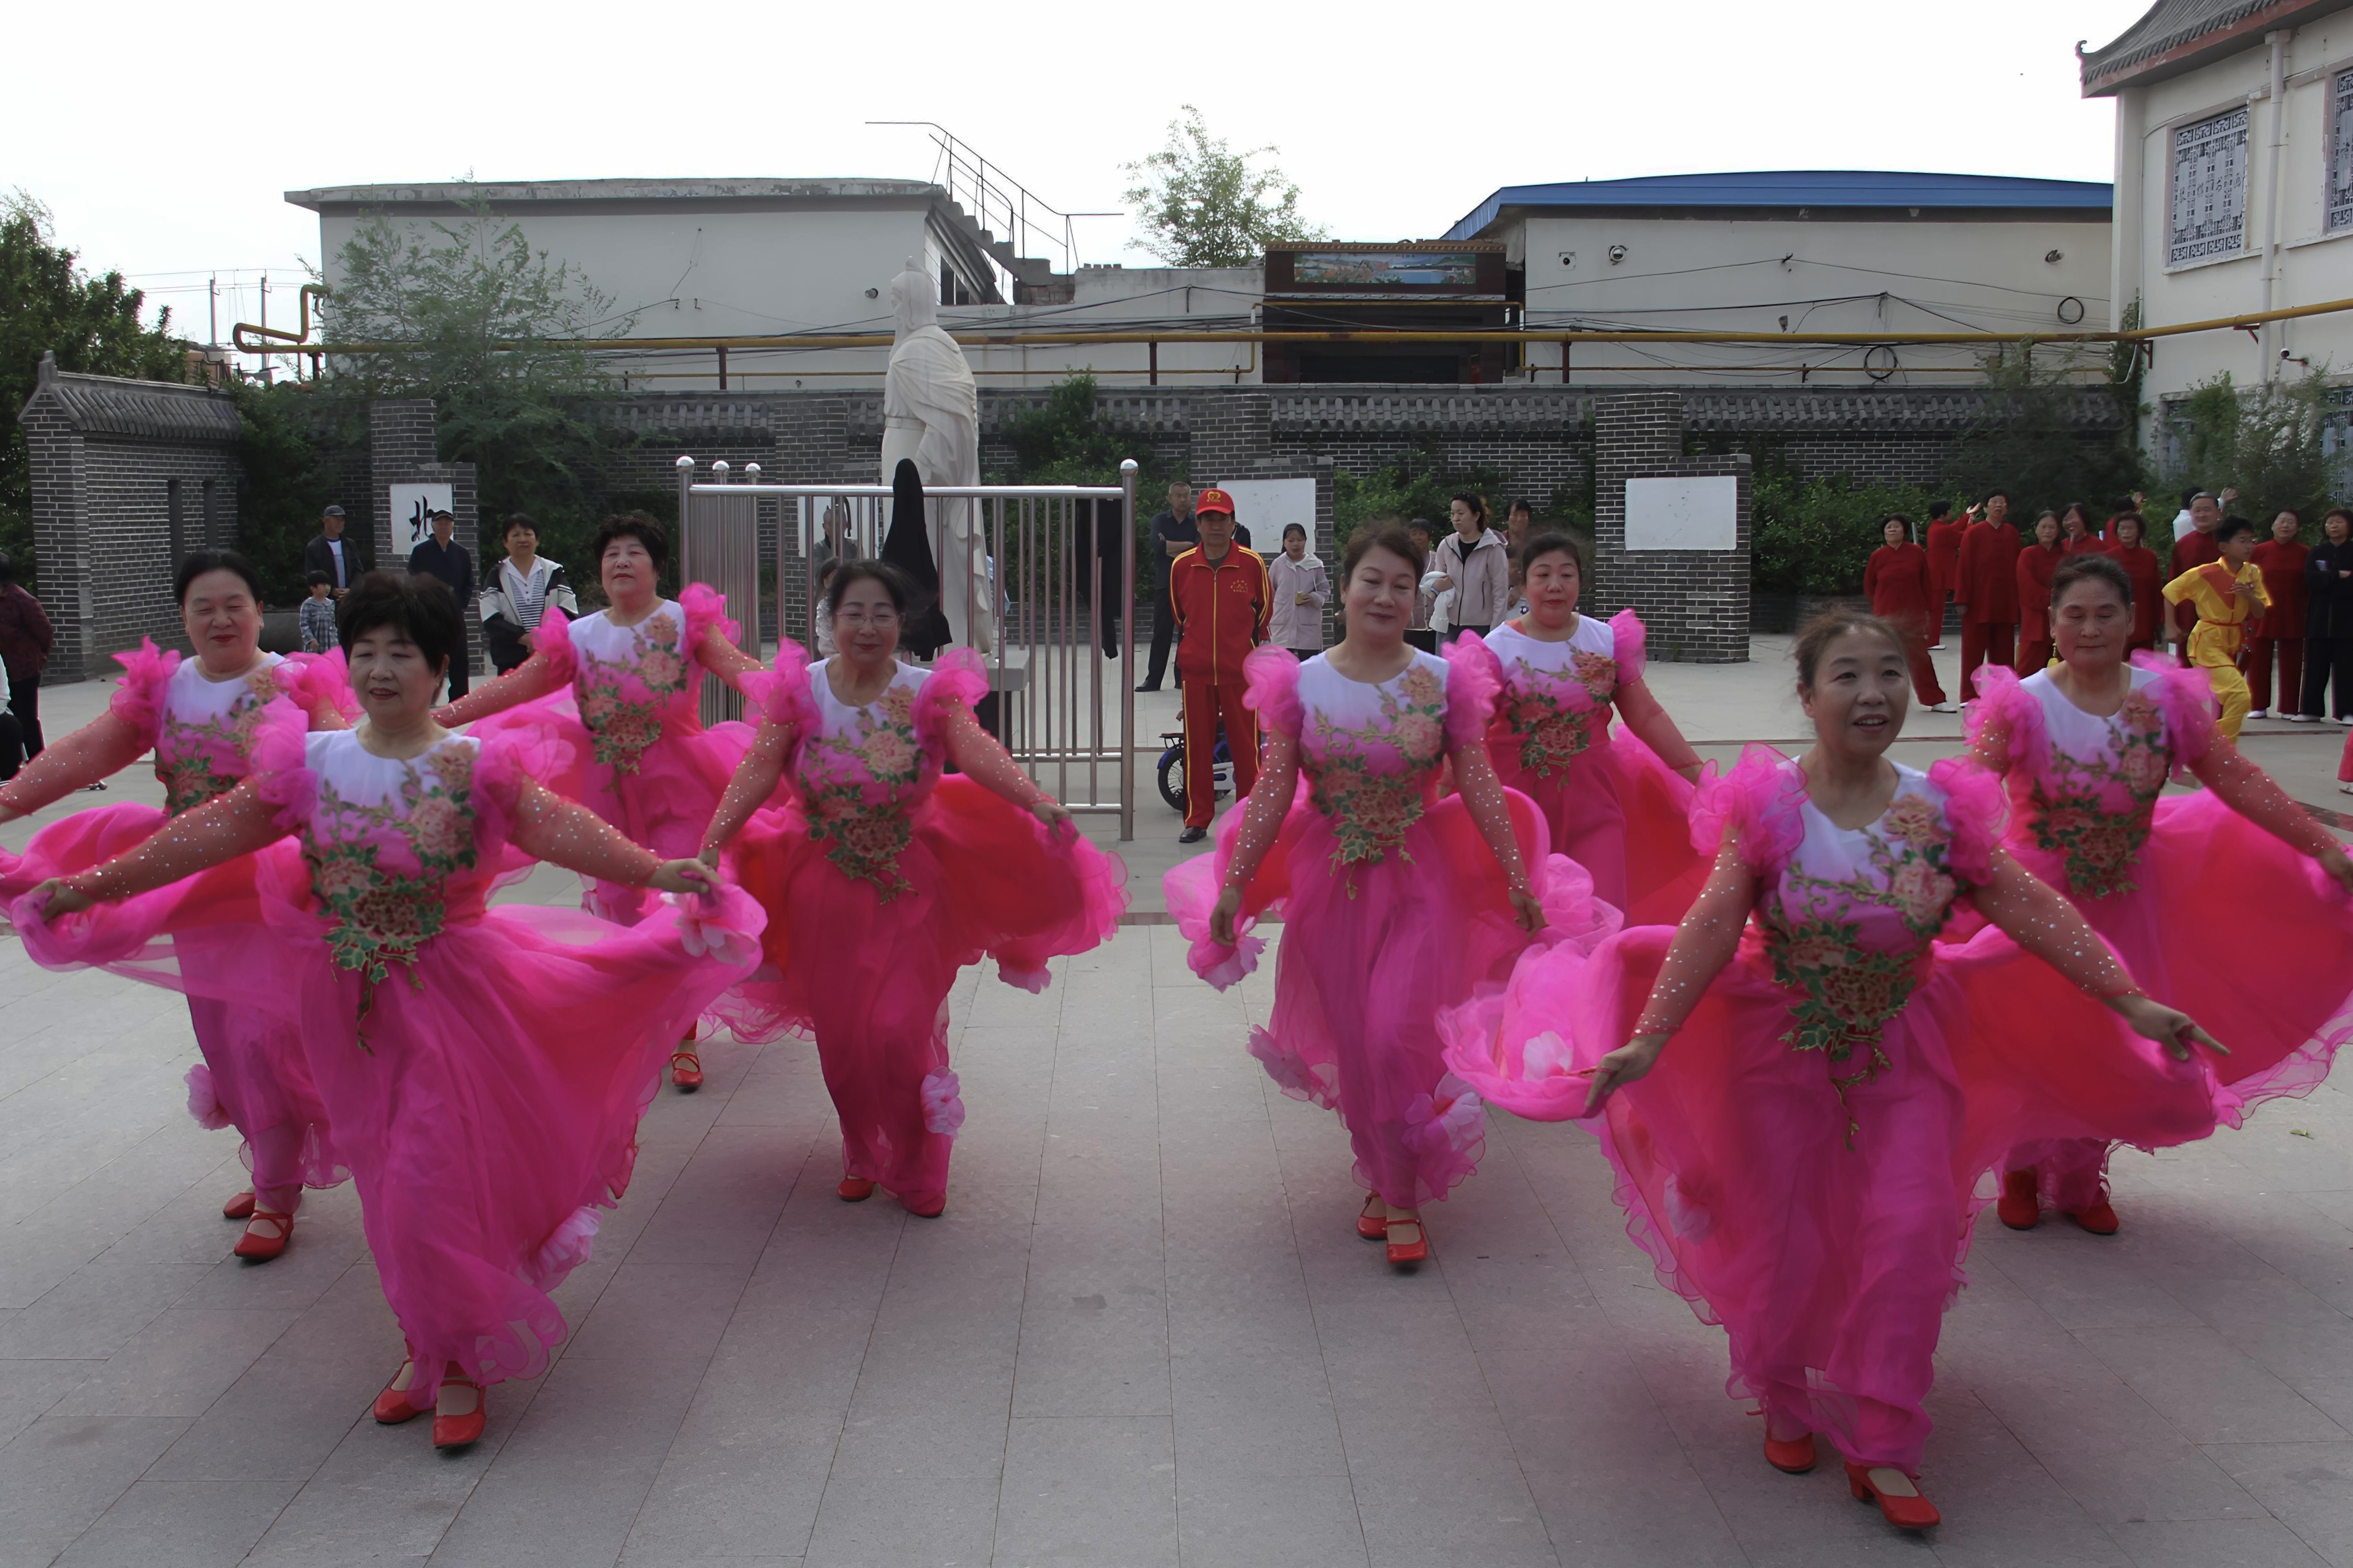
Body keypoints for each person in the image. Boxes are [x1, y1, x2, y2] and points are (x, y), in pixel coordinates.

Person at [1441, 609, 2227, 1532]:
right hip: (1778, 1059)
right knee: (1784, 1234)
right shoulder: (1769, 806)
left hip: (1905, 1055)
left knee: (1909, 1230)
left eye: (1889, 672)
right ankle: (1779, 1384)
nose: (1872, 693)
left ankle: (1883, 1436)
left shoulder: (1938, 808)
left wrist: (2128, 998)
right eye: (1846, 675)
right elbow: (1709, 923)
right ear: (1807, 696)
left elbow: (2028, 906)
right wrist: (1650, 1037)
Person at [11, 570, 752, 1450]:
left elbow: (558, 827)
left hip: (456, 999)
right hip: (345, 1007)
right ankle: (425, 1341)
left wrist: (655, 870)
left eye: (401, 652)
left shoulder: (474, 765)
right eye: (364, 651)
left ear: (437, 667)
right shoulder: (310, 763)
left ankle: (460, 1358)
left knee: (433, 1173)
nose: (379, 669)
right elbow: (199, 836)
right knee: (387, 1181)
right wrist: (92, 885)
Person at [1165, 524, 1609, 1269]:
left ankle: (1399, 1196)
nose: (1385, 595)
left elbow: (1477, 782)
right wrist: (1235, 882)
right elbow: (1272, 790)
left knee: (1391, 1033)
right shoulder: (1301, 684)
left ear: (1417, 598)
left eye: (1402, 585)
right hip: (1331, 889)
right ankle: (1382, 1174)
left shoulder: (1443, 681)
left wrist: (1516, 874)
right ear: (1343, 589)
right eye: (1372, 580)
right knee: (1356, 1046)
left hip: (1418, 884)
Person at [700, 562, 1125, 1215]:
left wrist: (1034, 800)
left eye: (882, 614)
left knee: (898, 1027)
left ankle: (919, 1158)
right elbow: (759, 767)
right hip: (821, 884)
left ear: (901, 623)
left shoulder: (926, 692)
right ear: (831, 620)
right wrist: (713, 840)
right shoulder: (801, 691)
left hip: (909, 883)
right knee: (844, 1039)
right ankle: (860, 1150)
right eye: (853, 613)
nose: (867, 626)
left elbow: (975, 751)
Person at [1969, 552, 2353, 1235]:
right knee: (2041, 1031)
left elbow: (2232, 775)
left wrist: (2317, 844)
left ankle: (2081, 1175)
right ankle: (2021, 1167)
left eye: (2104, 614)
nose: (2089, 629)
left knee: (2112, 1037)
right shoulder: (2020, 701)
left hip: (2130, 898)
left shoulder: (2162, 699)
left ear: (2130, 620)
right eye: (2074, 615)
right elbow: (1968, 792)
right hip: (2039, 902)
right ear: (2052, 622)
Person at [0, 550, 354, 1260]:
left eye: (235, 605)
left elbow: (348, 762)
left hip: (275, 889)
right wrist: (7, 799)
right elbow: (85, 752)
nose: (221, 619)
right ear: (183, 618)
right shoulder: (164, 689)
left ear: (260, 611)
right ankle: (273, 1164)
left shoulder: (293, 681)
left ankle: (276, 1191)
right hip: (187, 888)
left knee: (261, 1038)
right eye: (204, 607)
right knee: (221, 1036)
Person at [432, 512, 763, 1088]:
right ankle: (645, 1023)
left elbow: (743, 672)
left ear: (656, 566)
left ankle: (683, 1036)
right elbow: (516, 685)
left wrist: (805, 694)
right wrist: (439, 718)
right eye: (612, 554)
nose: (622, 562)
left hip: (681, 785)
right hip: (607, 792)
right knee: (623, 913)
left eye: (634, 552)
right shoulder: (579, 636)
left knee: (678, 905)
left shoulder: (684, 624)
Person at [1471, 530, 1708, 923]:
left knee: (1603, 915)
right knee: (1531, 926)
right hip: (1521, 813)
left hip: (1595, 803)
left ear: (1580, 581)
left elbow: (1647, 716)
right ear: (1524, 584)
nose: (1555, 585)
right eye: (1543, 575)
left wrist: (1705, 782)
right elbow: (1470, 740)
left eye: (1567, 575)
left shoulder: (1605, 640)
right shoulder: (1495, 649)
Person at [1169, 488, 1271, 845]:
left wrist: (1240, 648)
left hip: (1240, 671)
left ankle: (1248, 817)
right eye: (1208, 519)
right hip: (1196, 673)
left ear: (1233, 523)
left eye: (1222, 519)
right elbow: (1180, 616)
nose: (1215, 525)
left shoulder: (1252, 563)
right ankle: (1197, 818)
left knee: (1247, 748)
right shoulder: (1182, 566)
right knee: (1197, 748)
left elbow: (1263, 612)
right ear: (1198, 524)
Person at [2163, 514, 2267, 739]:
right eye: (2242, 540)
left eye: (2251, 540)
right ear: (2223, 546)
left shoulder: (2253, 573)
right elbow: (2170, 592)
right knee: (2239, 694)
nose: (2249, 546)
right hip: (2207, 642)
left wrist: (2248, 596)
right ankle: (2217, 747)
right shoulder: (2205, 573)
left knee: (2223, 698)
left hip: (2233, 640)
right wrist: (2170, 627)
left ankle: (2210, 744)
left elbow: (2259, 612)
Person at [1863, 514, 1952, 713]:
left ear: (1904, 530)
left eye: (1896, 526)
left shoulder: (1916, 552)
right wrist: (1880, 605)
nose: (1892, 530)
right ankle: (1878, 699)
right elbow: (1870, 586)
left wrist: (1927, 609)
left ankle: (1935, 699)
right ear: (1884, 532)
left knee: (1920, 659)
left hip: (1913, 615)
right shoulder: (1878, 556)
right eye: (1888, 527)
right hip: (1886, 616)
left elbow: (1925, 582)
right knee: (1883, 660)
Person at [478, 514, 578, 677]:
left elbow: (569, 610)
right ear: (505, 542)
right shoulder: (496, 575)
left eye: (528, 534)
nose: (522, 539)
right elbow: (490, 617)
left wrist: (543, 638)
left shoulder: (554, 571)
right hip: (510, 660)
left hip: (551, 656)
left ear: (537, 540)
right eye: (516, 535)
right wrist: (524, 638)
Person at [1954, 492, 2021, 700]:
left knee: (2004, 651)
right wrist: (1962, 599)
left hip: (2005, 601)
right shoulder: (1973, 533)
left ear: (2007, 508)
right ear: (1985, 508)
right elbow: (1964, 566)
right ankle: (1968, 695)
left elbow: (2018, 568)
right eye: (1994, 502)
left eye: (2003, 503)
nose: (1998, 506)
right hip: (1978, 601)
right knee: (1973, 651)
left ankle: (2004, 693)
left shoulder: (2012, 533)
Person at [2247, 509, 2310, 721]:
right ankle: (2258, 705)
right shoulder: (2258, 551)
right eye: (2281, 521)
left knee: (2292, 661)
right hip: (2262, 612)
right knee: (2258, 660)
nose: (2285, 525)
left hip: (2293, 611)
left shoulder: (2305, 553)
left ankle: (2290, 707)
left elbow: (2309, 584)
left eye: (2291, 522)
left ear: (2297, 528)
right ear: (2273, 526)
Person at [407, 510, 476, 701]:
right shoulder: (421, 552)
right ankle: (424, 698)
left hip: (454, 613)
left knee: (459, 659)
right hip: (430, 614)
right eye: (440, 523)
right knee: (429, 658)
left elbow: (469, 583)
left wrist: (460, 603)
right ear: (433, 526)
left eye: (448, 523)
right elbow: (412, 580)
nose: (444, 526)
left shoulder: (461, 553)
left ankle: (460, 699)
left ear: (452, 527)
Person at [1429, 493, 1509, 641]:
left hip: (1481, 627)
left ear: (1476, 515)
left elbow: (1500, 594)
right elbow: (1432, 581)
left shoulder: (1493, 548)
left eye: (1461, 513)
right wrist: (1437, 586)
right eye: (1452, 514)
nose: (1455, 518)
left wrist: (1495, 632)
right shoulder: (1446, 545)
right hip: (1448, 624)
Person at [1140, 482, 1195, 692]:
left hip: (1190, 584)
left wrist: (1170, 546)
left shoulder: (1197, 521)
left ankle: (1182, 678)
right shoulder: (1160, 520)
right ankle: (1153, 679)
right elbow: (1157, 545)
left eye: (1186, 495)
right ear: (1169, 498)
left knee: (1187, 633)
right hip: (1165, 583)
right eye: (1178, 495)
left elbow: (1199, 547)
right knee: (1161, 633)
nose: (1183, 499)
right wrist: (1186, 546)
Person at [2166, 489, 2231, 665]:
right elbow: (2171, 587)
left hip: (2223, 620)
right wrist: (2170, 624)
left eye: (2207, 510)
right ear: (2191, 514)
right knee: (2188, 671)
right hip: (2188, 619)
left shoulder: (2230, 544)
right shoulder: (2183, 545)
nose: (2202, 515)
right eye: (2197, 510)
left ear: (2218, 512)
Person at [2301, 507, 2353, 724]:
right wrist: (2337, 576)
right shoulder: (2317, 552)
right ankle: (2311, 710)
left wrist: (2328, 580)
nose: (2333, 526)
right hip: (2319, 618)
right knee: (2315, 666)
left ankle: (2348, 711)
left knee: (2347, 668)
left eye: (2339, 522)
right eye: (2330, 522)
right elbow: (2311, 580)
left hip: (2347, 619)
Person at [0, 552, 54, 761]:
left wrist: (38, 658)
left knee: (27, 720)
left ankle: (38, 763)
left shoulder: (21, 599)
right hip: (2, 669)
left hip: (22, 671)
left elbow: (45, 632)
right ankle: (12, 763)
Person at [2106, 512, 2165, 655]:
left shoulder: (2149, 557)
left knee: (2143, 662)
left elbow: (2156, 589)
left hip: (2144, 619)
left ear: (2139, 531)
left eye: (2131, 528)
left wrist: (2160, 619)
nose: (2126, 532)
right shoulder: (2108, 558)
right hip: (2117, 621)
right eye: (2122, 528)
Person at [1268, 523, 1330, 659]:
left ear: (1305, 541)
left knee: (1308, 665)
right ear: (1284, 542)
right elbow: (1269, 593)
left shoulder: (1315, 565)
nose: (1295, 544)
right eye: (1291, 540)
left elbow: (1325, 591)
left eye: (1299, 540)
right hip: (1282, 626)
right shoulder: (1278, 564)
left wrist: (1314, 597)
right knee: (1282, 666)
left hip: (1308, 627)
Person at [2015, 511, 2066, 672]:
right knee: (2027, 673)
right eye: (2043, 527)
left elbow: (2071, 587)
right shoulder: (2027, 555)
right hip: (2035, 620)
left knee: (2065, 673)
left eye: (2052, 527)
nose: (2047, 531)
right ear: (2036, 529)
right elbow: (2028, 589)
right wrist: (2056, 600)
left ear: (2058, 531)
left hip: (2062, 619)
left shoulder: (2067, 557)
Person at [303, 505, 364, 607]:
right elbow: (312, 574)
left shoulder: (349, 544)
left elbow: (358, 570)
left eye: (342, 520)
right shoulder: (314, 547)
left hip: (349, 599)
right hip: (325, 601)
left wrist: (351, 589)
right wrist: (330, 590)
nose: (340, 523)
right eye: (336, 520)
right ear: (325, 521)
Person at [1923, 501, 1963, 650]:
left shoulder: (1936, 527)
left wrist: (1967, 517)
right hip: (1938, 576)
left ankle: (1932, 640)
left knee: (1936, 610)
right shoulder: (1942, 530)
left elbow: (1953, 529)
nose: (1951, 513)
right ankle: (1932, 641)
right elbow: (1962, 537)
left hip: (1936, 575)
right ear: (1942, 514)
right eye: (1949, 510)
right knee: (1936, 611)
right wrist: (1971, 523)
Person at [1403, 519, 1440, 653]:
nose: (1417, 537)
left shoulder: (1438, 559)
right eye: (1414, 533)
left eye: (1421, 533)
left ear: (1429, 537)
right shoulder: (1403, 561)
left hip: (1432, 628)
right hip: (1407, 627)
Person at [300, 570, 339, 654]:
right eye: (324, 585)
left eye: (329, 585)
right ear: (313, 588)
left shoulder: (331, 604)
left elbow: (334, 624)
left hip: (331, 646)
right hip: (314, 648)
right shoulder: (308, 605)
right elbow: (304, 625)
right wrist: (311, 640)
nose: (327, 588)